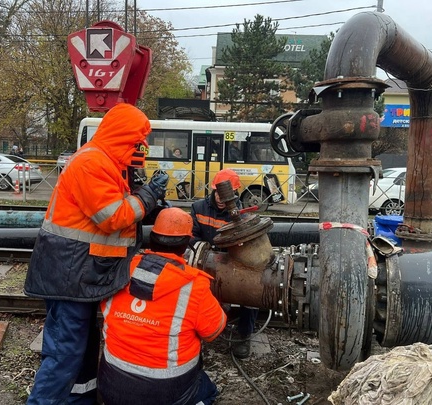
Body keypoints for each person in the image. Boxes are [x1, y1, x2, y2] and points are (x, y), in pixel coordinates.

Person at [23, 103, 169, 404]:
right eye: (138, 140)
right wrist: (149, 196)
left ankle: (79, 400)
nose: (142, 147)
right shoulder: (92, 164)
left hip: (81, 272)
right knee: (65, 352)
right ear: (122, 135)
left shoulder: (110, 164)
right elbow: (113, 217)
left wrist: (147, 200)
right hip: (70, 273)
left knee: (83, 349)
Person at [98, 207, 226, 405]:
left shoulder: (121, 271)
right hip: (167, 391)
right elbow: (213, 331)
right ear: (185, 245)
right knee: (208, 390)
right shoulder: (194, 286)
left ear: (153, 237)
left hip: (112, 387)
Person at [189, 168, 258, 359]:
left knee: (251, 291)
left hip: (231, 264)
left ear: (234, 193)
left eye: (225, 194)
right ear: (214, 190)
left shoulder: (241, 216)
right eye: (217, 192)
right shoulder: (198, 208)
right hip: (204, 262)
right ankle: (197, 327)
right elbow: (191, 235)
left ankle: (244, 334)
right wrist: (203, 249)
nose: (220, 197)